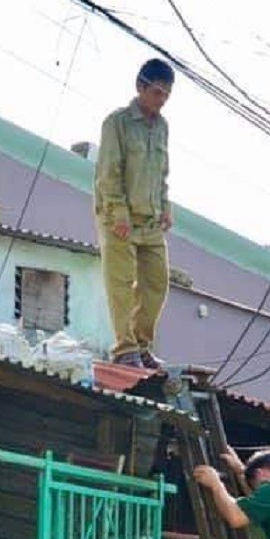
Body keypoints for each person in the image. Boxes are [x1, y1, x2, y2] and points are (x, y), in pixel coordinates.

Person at [94, 58, 174, 370]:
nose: (162, 99)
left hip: (151, 219)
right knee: (122, 283)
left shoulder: (163, 127)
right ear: (140, 87)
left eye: (167, 93)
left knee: (157, 283)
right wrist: (119, 213)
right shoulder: (117, 123)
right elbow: (108, 173)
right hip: (119, 217)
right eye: (157, 92)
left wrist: (165, 206)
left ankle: (141, 345)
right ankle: (125, 348)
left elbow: (162, 173)